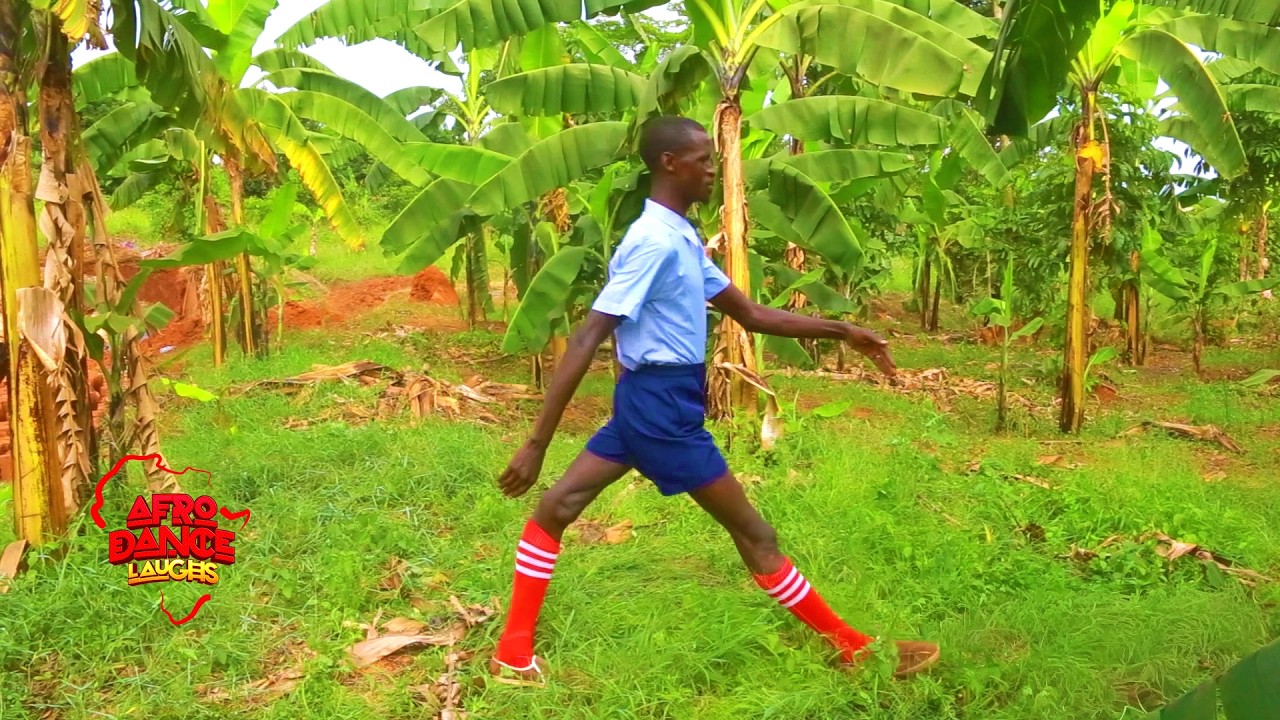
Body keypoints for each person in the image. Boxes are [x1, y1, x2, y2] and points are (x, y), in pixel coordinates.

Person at [488, 115, 940, 685]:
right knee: (756, 535)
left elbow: (750, 314)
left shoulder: (678, 235)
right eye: (702, 160)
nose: (712, 170)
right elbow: (587, 335)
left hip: (650, 401)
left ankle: (512, 654)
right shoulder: (652, 243)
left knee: (557, 508)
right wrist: (536, 442)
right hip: (662, 410)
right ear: (668, 164)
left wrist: (842, 331)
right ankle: (855, 651)